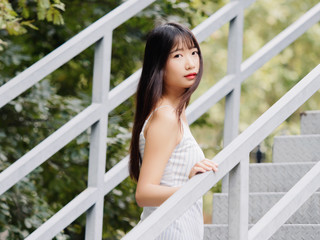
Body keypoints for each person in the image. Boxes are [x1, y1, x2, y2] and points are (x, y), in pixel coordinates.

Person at [129, 22, 218, 239]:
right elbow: (144, 193)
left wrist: (191, 180)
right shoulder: (166, 117)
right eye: (178, 56)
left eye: (194, 52)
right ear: (158, 65)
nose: (190, 63)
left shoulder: (175, 113)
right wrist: (192, 188)